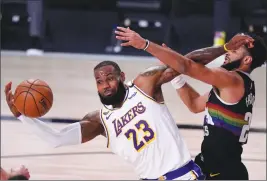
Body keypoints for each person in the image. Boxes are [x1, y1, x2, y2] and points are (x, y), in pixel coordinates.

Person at [4, 42, 242, 180]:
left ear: (122, 77)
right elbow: (55, 139)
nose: (105, 84)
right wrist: (22, 116)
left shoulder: (144, 85)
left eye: (109, 78)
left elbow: (187, 61)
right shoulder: (99, 121)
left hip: (182, 176)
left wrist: (226, 48)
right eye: (99, 81)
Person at [115, 27, 266, 179]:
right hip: (214, 166)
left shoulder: (231, 79)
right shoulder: (241, 84)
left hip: (223, 172)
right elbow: (194, 104)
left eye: (234, 51)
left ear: (247, 60)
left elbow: (187, 66)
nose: (228, 53)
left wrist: (145, 44)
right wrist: (175, 75)